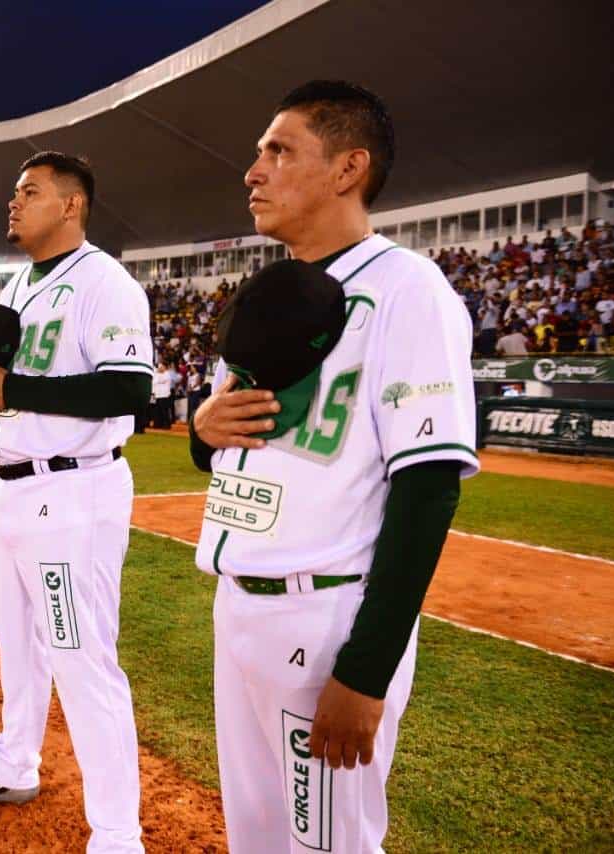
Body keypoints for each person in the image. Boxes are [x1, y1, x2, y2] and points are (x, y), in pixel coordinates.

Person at [189, 79, 477, 853]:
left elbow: (428, 485)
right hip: (240, 601)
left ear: (349, 168)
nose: (253, 171)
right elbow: (228, 442)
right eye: (258, 154)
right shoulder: (272, 293)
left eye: (278, 151)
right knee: (255, 836)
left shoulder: (408, 289)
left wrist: (367, 670)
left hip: (326, 620)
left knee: (331, 846)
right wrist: (200, 428)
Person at [0, 151, 152, 854]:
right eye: (13, 192)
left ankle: (118, 838)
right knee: (21, 651)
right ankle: (12, 766)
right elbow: (8, 384)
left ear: (71, 205)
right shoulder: (18, 286)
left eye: (28, 192)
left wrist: (15, 392)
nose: (13, 202)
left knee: (82, 659)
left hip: (72, 490)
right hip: (14, 486)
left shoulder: (105, 282)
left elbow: (129, 391)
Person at [151, 361, 174, 428]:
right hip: (157, 395)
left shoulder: (167, 374)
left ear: (165, 367)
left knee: (164, 411)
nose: (159, 368)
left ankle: (166, 425)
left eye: (161, 367)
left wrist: (157, 377)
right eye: (159, 367)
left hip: (164, 395)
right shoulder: (156, 374)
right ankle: (158, 424)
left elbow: (160, 381)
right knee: (157, 411)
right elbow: (154, 383)